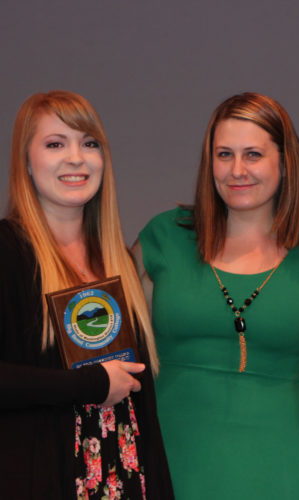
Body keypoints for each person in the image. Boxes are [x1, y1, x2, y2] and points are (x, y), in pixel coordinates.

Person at [133, 92, 299, 499]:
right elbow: (96, 331)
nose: (237, 170)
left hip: (282, 465)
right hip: (170, 457)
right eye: (224, 154)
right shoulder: (165, 236)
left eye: (254, 155)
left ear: (285, 161)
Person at [0, 90, 174, 499]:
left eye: (89, 143)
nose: (76, 157)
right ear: (26, 161)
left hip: (128, 480)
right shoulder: (7, 252)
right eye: (55, 144)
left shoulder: (118, 262)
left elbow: (142, 403)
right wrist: (88, 384)